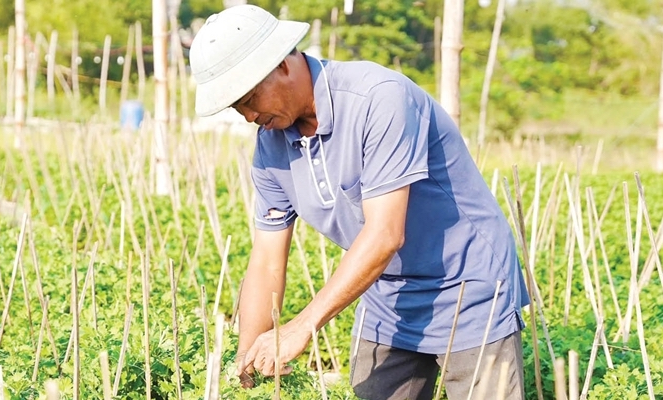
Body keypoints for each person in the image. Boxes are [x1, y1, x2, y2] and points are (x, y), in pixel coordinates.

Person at [188, 5, 531, 400]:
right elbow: (267, 259)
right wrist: (246, 359)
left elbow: (385, 234)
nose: (248, 117)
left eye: (249, 99)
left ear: (282, 63)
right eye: (237, 108)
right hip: (386, 294)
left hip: (466, 287)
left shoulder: (378, 99)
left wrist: (302, 325)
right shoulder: (270, 146)